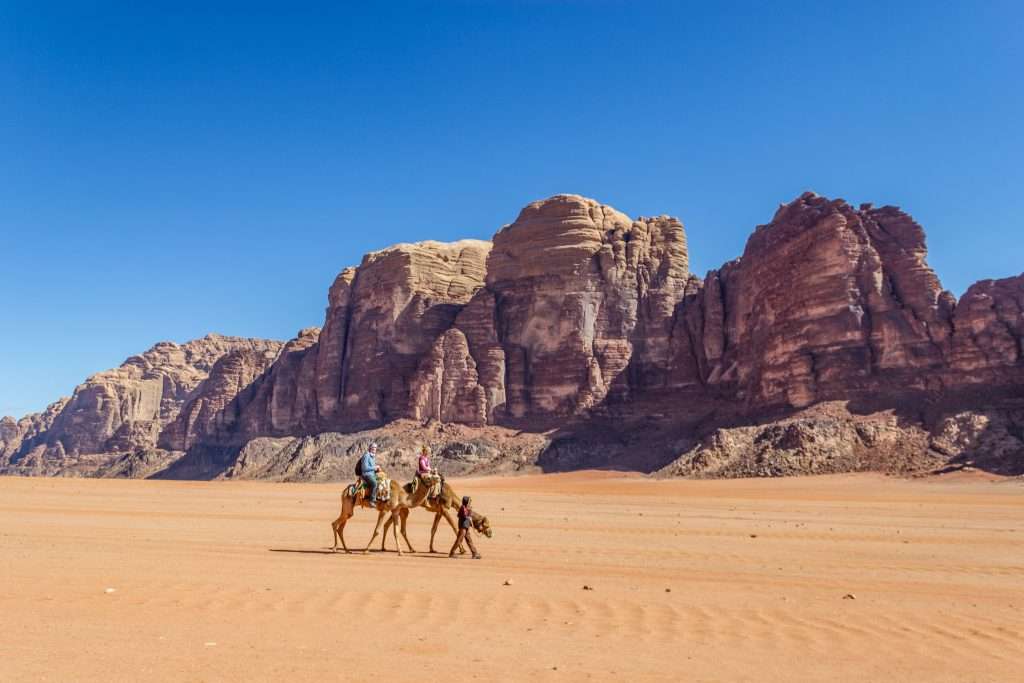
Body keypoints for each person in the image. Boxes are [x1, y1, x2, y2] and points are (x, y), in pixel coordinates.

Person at [449, 495, 481, 559]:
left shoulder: (467, 507)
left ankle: (474, 553)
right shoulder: (462, 508)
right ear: (466, 502)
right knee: (459, 540)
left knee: (469, 540)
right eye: (469, 501)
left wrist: (469, 511)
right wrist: (469, 515)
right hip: (463, 527)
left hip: (466, 526)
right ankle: (452, 553)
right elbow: (464, 515)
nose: (470, 502)